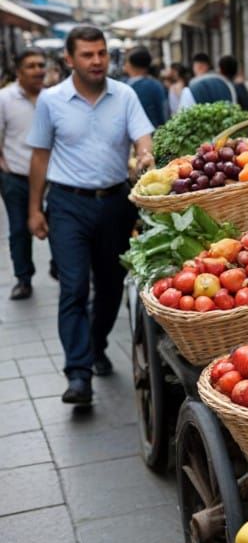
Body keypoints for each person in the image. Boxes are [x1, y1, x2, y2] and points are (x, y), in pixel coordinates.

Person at [27, 26, 154, 405]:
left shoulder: (125, 95)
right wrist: (34, 209)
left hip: (116, 202)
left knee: (112, 285)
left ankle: (96, 346)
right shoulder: (51, 100)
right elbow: (39, 155)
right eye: (87, 54)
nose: (97, 61)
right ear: (69, 59)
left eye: (101, 53)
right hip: (67, 204)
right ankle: (78, 373)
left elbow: (143, 139)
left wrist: (146, 156)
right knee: (74, 287)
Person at [0, 48, 47, 299]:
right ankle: (23, 278)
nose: (38, 70)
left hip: (53, 178)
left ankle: (60, 267)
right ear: (19, 71)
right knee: (19, 229)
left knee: (59, 225)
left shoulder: (53, 97)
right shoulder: (4, 99)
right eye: (31, 66)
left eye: (41, 65)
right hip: (16, 177)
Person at [123, 46, 169, 128]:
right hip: (156, 134)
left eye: (126, 61)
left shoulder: (128, 88)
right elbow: (164, 113)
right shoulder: (157, 85)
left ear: (130, 64)